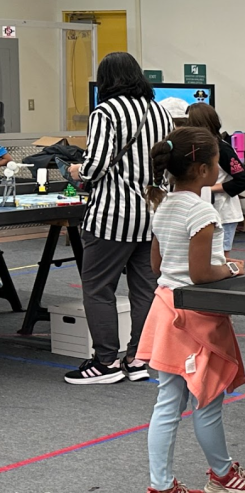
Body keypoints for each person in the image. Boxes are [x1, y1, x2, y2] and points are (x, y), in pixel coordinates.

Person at [136, 127, 245, 493]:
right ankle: (223, 475)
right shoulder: (202, 211)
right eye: (216, 163)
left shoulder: (163, 204)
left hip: (167, 308)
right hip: (196, 316)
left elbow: (158, 266)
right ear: (201, 169)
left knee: (168, 402)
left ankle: (161, 488)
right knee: (208, 399)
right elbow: (200, 274)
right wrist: (231, 268)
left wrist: (212, 265)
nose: (220, 169)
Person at [64, 52, 174, 385]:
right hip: (152, 215)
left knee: (98, 288)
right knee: (145, 290)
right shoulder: (160, 112)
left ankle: (105, 362)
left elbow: (95, 165)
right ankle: (138, 358)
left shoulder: (106, 112)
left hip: (112, 217)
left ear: (106, 81)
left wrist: (76, 171)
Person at [185, 103, 245, 254]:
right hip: (198, 211)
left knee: (218, 258)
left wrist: (209, 189)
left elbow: (243, 180)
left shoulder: (222, 149)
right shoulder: (192, 148)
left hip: (222, 213)